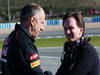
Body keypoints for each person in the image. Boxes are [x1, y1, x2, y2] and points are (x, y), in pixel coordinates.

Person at [0, 3, 52, 75]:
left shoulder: (9, 38)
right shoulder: (25, 43)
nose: (42, 28)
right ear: (33, 20)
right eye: (42, 23)